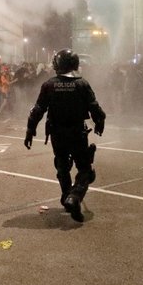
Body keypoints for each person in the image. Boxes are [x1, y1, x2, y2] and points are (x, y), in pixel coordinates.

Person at [24, 49, 106, 223]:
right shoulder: (82, 84)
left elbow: (37, 110)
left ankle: (66, 195)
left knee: (62, 166)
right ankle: (74, 197)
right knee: (85, 170)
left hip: (57, 133)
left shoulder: (49, 85)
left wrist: (30, 130)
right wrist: (100, 122)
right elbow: (95, 108)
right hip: (77, 132)